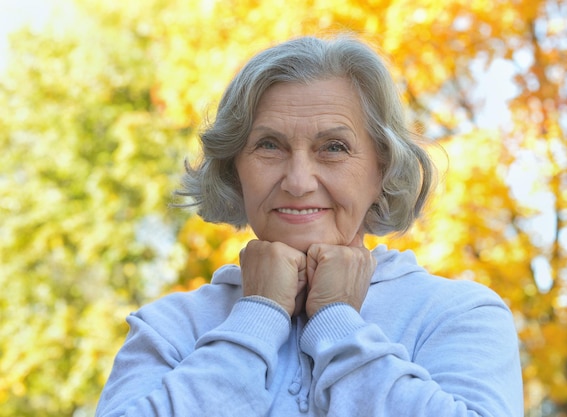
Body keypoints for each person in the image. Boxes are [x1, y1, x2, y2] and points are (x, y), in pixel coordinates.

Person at [96, 35, 523, 416]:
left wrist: (337, 322)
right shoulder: (170, 327)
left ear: (383, 169)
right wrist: (257, 318)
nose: (298, 182)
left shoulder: (457, 315)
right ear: (234, 169)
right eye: (269, 146)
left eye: (333, 148)